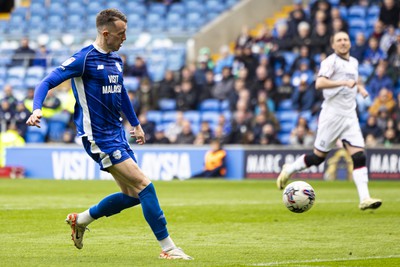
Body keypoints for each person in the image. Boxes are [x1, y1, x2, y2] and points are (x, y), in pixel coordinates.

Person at [26, 9, 192, 260]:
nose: (125, 37)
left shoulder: (116, 60)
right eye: (121, 33)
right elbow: (45, 82)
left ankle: (80, 220)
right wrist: (37, 109)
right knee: (145, 186)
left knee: (133, 195)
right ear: (106, 33)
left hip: (117, 133)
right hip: (97, 137)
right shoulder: (83, 59)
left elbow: (121, 92)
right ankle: (169, 249)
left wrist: (135, 124)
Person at [276, 31, 382, 211]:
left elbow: (353, 80)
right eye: (339, 40)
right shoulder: (330, 62)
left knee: (359, 155)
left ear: (350, 43)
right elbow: (320, 83)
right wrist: (342, 83)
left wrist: (361, 88)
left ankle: (365, 198)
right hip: (332, 115)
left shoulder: (354, 62)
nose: (343, 43)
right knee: (317, 158)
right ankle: (290, 168)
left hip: (350, 116)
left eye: (346, 40)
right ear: (333, 45)